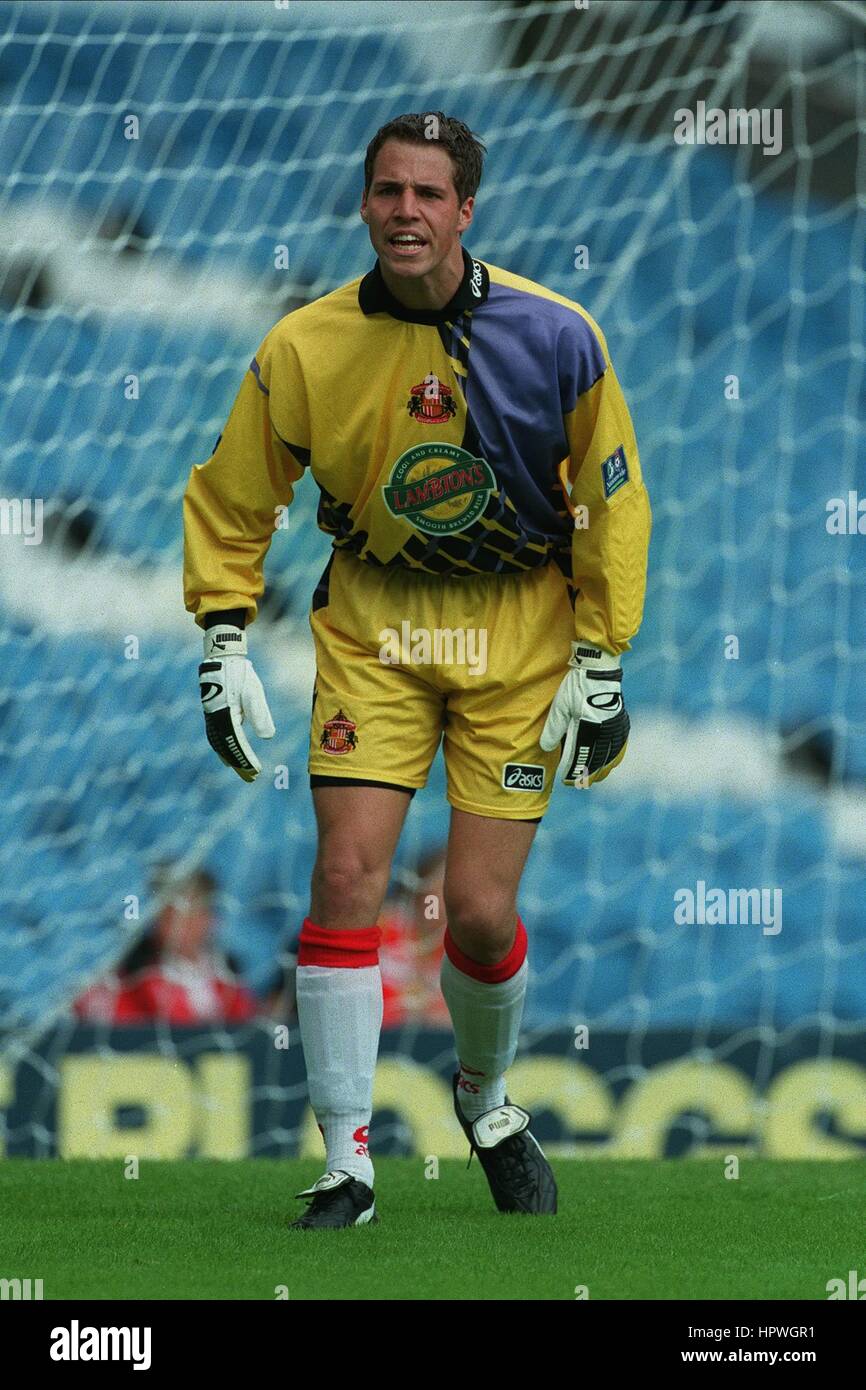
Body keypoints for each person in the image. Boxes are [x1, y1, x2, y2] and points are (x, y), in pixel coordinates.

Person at [183, 112, 651, 1228]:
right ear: (363, 203)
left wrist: (602, 656)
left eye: (427, 194)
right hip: (375, 639)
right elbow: (235, 492)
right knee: (345, 877)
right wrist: (223, 635)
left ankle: (484, 1101)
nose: (404, 209)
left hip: (517, 644)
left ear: (464, 212)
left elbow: (610, 500)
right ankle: (346, 1162)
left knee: (480, 917)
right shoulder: (301, 345)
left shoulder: (559, 336)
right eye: (386, 189)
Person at [74, 868, 256, 1026]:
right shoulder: (126, 979)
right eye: (171, 912)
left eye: (191, 911)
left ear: (210, 918)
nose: (179, 924)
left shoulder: (229, 978)